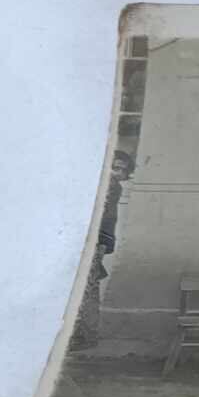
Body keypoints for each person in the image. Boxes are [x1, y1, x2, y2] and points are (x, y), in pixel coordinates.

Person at [70, 149, 136, 351]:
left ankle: (84, 336)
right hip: (84, 240)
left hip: (93, 241)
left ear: (126, 175)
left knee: (86, 289)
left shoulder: (111, 188)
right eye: (113, 167)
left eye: (121, 170)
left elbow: (106, 218)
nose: (116, 173)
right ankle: (81, 335)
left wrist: (101, 245)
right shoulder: (98, 185)